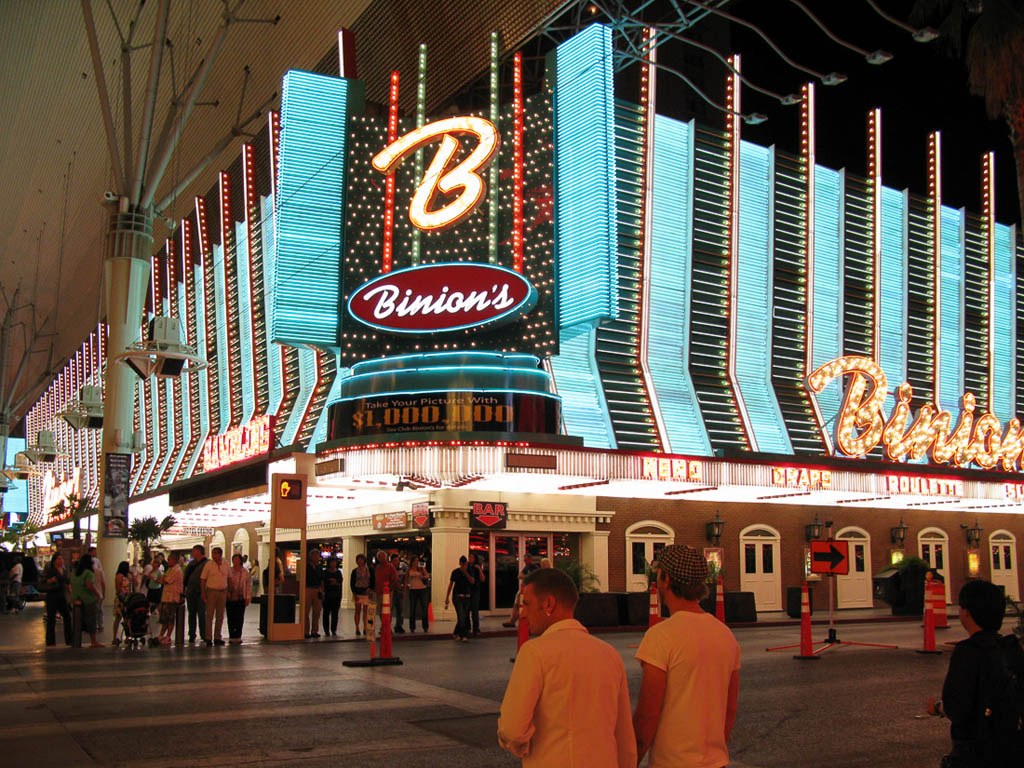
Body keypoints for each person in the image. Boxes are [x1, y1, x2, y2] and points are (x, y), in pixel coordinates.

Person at [498, 567, 636, 767]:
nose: (523, 613)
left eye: (526, 604)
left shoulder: (534, 653)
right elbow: (624, 735)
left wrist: (523, 748)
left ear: (548, 604)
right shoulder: (610, 654)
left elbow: (512, 729)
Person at [633, 545, 740, 768]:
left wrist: (630, 759)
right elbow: (730, 708)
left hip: (673, 762)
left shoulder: (661, 636)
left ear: (666, 579)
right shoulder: (725, 635)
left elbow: (647, 715)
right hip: (715, 761)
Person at [926, 579, 1024, 766]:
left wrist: (937, 708)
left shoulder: (968, 652)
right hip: (1013, 749)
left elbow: (958, 707)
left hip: (978, 752)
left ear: (967, 614)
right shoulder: (1010, 648)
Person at [70, 554, 104, 647]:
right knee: (91, 620)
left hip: (76, 599)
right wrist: (97, 595)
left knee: (78, 622)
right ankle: (94, 641)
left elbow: (71, 586)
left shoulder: (74, 573)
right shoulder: (88, 573)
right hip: (88, 599)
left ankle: (76, 641)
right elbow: (89, 585)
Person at [201, 546, 231, 646]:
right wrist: (203, 593)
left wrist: (229, 591)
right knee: (209, 615)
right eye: (213, 553)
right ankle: (208, 637)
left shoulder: (226, 564)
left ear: (220, 554)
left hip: (223, 591)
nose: (213, 555)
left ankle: (217, 636)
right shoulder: (208, 565)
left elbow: (229, 578)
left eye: (215, 553)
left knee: (220, 615)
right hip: (211, 591)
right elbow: (203, 579)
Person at [42, 553, 72, 646]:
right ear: (54, 561)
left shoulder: (64, 570)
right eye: (59, 559)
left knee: (67, 617)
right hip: (52, 596)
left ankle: (69, 639)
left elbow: (67, 582)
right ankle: (50, 641)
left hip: (61, 595)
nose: (61, 560)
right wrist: (50, 581)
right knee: (51, 619)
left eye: (61, 559)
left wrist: (70, 593)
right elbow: (44, 581)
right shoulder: (50, 570)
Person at [503, 554, 541, 627]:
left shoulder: (534, 567)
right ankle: (511, 620)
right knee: (516, 605)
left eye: (526, 560)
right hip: (523, 588)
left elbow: (533, 577)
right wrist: (527, 576)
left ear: (530, 559)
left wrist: (526, 576)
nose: (525, 561)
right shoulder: (527, 567)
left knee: (521, 606)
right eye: (524, 560)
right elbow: (520, 576)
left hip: (528, 589)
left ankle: (513, 621)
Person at [445, 555, 475, 642]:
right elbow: (451, 585)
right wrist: (447, 597)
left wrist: (466, 573)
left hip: (467, 596)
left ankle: (456, 632)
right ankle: (463, 635)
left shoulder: (470, 571)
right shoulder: (455, 572)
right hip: (458, 596)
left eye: (464, 565)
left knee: (464, 616)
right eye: (462, 565)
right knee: (461, 615)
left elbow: (472, 581)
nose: (463, 566)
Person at [183, 545, 207, 644]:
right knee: (191, 613)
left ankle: (204, 634)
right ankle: (192, 634)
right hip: (191, 592)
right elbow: (186, 577)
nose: (192, 552)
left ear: (199, 551)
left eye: (194, 551)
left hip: (201, 592)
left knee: (202, 614)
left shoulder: (206, 564)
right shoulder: (191, 564)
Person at [225, 553, 251, 644]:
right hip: (231, 597)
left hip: (241, 597)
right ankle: (232, 635)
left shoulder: (245, 572)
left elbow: (248, 585)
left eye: (237, 559)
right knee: (231, 617)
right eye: (234, 559)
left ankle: (238, 635)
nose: (235, 561)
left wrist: (247, 597)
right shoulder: (229, 571)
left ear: (240, 560)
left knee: (239, 617)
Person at [158, 552, 183, 645]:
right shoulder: (170, 569)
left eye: (169, 560)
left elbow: (166, 580)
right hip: (166, 597)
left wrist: (160, 579)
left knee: (170, 618)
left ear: (174, 560)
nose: (168, 562)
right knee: (164, 618)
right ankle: (161, 635)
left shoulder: (176, 570)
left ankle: (168, 636)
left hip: (172, 597)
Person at [350, 553, 373, 636]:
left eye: (361, 559)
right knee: (358, 610)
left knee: (366, 611)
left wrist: (370, 589)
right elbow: (352, 583)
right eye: (358, 560)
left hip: (366, 591)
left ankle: (365, 627)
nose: (360, 561)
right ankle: (357, 627)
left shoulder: (369, 570)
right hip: (358, 591)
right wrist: (354, 593)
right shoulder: (355, 571)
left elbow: (372, 581)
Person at [405, 554, 430, 633]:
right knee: (412, 609)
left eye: (417, 561)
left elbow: (427, 576)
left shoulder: (421, 569)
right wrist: (405, 591)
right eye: (414, 561)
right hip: (413, 590)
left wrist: (423, 576)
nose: (416, 563)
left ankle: (425, 626)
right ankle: (412, 627)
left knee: (424, 609)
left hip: (422, 589)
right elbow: (406, 580)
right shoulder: (409, 570)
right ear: (412, 562)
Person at [322, 556, 344, 637]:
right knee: (326, 613)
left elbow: (340, 582)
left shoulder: (338, 572)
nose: (333, 564)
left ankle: (333, 629)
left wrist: (336, 582)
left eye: (334, 562)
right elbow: (323, 583)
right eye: (332, 562)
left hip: (336, 595)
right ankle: (326, 630)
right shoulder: (325, 572)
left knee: (335, 614)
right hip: (327, 595)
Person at [111, 561, 132, 644]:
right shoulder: (119, 576)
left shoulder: (127, 576)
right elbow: (118, 588)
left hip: (127, 598)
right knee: (118, 617)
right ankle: (114, 637)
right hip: (121, 598)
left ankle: (128, 636)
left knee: (127, 618)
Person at [305, 548, 324, 639]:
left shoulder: (319, 568)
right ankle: (306, 631)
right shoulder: (306, 567)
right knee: (306, 611)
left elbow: (321, 580)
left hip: (317, 589)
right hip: (308, 589)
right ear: (311, 557)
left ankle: (314, 631)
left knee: (317, 612)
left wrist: (322, 590)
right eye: (315, 556)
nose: (317, 557)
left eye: (318, 556)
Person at [88, 546, 106, 632]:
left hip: (92, 592)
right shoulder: (98, 571)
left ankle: (94, 626)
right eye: (94, 551)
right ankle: (100, 625)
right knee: (99, 610)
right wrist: (103, 592)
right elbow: (103, 582)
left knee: (94, 610)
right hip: (98, 591)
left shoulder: (88, 572)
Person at [468, 553, 486, 636]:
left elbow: (482, 579)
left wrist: (479, 569)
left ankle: (476, 628)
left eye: (472, 557)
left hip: (475, 590)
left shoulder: (477, 567)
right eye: (469, 557)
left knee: (475, 610)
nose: (470, 558)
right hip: (468, 590)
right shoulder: (467, 567)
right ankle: (467, 628)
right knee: (467, 610)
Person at [390, 553, 406, 633]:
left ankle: (399, 625)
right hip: (391, 591)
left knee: (400, 609)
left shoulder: (400, 569)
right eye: (395, 561)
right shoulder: (389, 569)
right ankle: (387, 626)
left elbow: (403, 579)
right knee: (390, 609)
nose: (397, 562)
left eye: (397, 561)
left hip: (399, 591)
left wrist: (403, 590)